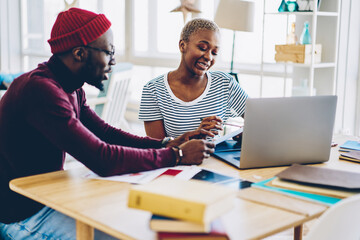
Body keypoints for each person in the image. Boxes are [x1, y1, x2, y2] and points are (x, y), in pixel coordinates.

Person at [0, 8, 214, 240]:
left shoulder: (70, 87)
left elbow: (105, 133)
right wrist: (177, 156)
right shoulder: (41, 90)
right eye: (109, 52)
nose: (113, 61)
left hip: (47, 197)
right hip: (21, 215)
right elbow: (101, 158)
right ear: (80, 53)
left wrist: (165, 143)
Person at [139, 18, 248, 139]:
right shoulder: (153, 90)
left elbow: (259, 120)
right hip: (180, 158)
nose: (209, 57)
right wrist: (196, 135)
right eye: (202, 48)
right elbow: (157, 151)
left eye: (214, 52)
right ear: (182, 45)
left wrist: (243, 135)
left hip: (218, 158)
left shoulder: (225, 83)